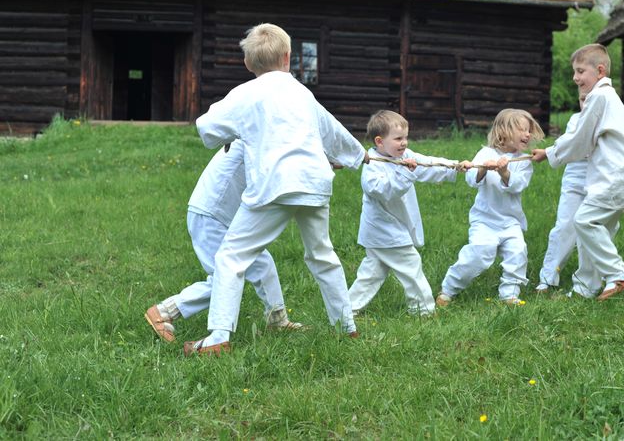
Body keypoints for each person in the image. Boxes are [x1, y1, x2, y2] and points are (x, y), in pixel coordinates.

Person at [185, 23, 368, 356]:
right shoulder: (302, 93)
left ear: (247, 63)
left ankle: (218, 338)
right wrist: (360, 157)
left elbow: (206, 128)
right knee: (322, 256)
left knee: (231, 256)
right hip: (314, 183)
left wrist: (234, 130)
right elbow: (333, 132)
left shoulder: (245, 94)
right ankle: (347, 328)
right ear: (288, 57)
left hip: (273, 185)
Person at [145, 140, 302, 343]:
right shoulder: (257, 137)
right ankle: (163, 311)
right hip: (210, 216)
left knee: (262, 263)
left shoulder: (263, 135)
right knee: (225, 279)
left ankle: (277, 320)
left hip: (223, 216)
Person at [531, 43, 624, 301]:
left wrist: (549, 153)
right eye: (575, 71)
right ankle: (585, 288)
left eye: (580, 71)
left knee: (583, 221)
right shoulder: (609, 97)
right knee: (594, 231)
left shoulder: (599, 97)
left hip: (614, 178)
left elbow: (580, 140)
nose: (575, 78)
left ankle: (618, 272)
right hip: (619, 176)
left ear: (600, 71)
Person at [348, 110, 471, 316]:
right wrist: (406, 173)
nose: (404, 143)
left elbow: (428, 164)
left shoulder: (405, 157)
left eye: (405, 137)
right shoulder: (373, 166)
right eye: (398, 139)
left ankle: (347, 310)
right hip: (385, 231)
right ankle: (423, 311)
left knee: (372, 274)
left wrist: (454, 166)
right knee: (411, 266)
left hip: (387, 233)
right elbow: (383, 191)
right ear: (379, 141)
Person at [436, 109, 544, 307]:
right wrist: (483, 169)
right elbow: (471, 180)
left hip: (511, 222)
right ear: (503, 132)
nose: (527, 134)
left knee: (518, 252)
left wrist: (504, 173)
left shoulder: (523, 161)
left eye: (529, 130)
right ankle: (449, 289)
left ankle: (509, 294)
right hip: (485, 220)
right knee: (479, 253)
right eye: (522, 129)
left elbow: (518, 185)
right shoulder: (486, 153)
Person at [534, 94, 589, 294]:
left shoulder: (608, 119)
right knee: (564, 226)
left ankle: (588, 282)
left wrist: (549, 152)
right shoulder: (575, 119)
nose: (585, 103)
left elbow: (581, 145)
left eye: (590, 98)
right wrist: (549, 152)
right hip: (575, 179)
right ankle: (548, 278)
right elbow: (572, 144)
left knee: (591, 229)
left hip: (600, 179)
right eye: (582, 99)